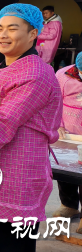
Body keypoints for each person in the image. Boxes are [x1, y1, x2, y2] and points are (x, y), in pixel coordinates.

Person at [0, 3, 62, 252]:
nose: (2, 35)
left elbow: (5, 120)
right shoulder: (2, 67)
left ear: (33, 33)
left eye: (12, 29)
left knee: (10, 245)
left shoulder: (36, 73)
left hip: (19, 174)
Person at [53, 52, 82, 234]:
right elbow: (54, 102)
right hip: (68, 134)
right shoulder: (62, 76)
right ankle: (69, 205)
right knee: (66, 171)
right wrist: (57, 125)